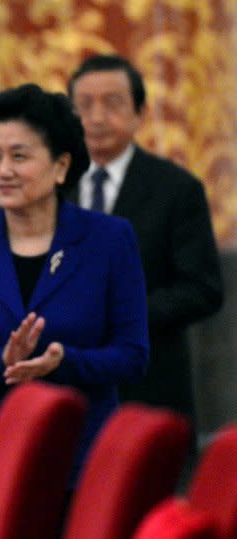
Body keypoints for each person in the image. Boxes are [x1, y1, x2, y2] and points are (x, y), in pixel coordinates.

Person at [0, 83, 149, 483]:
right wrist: (3, 361)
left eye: (19, 156)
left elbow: (132, 355)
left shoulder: (110, 240)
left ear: (61, 166)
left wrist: (64, 361)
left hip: (85, 458)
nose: (2, 170)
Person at [67, 54, 223, 422]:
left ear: (140, 113)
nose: (97, 117)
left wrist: (121, 314)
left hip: (148, 385)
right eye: (84, 105)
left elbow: (202, 290)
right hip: (68, 388)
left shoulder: (176, 189)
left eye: (113, 103)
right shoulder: (54, 188)